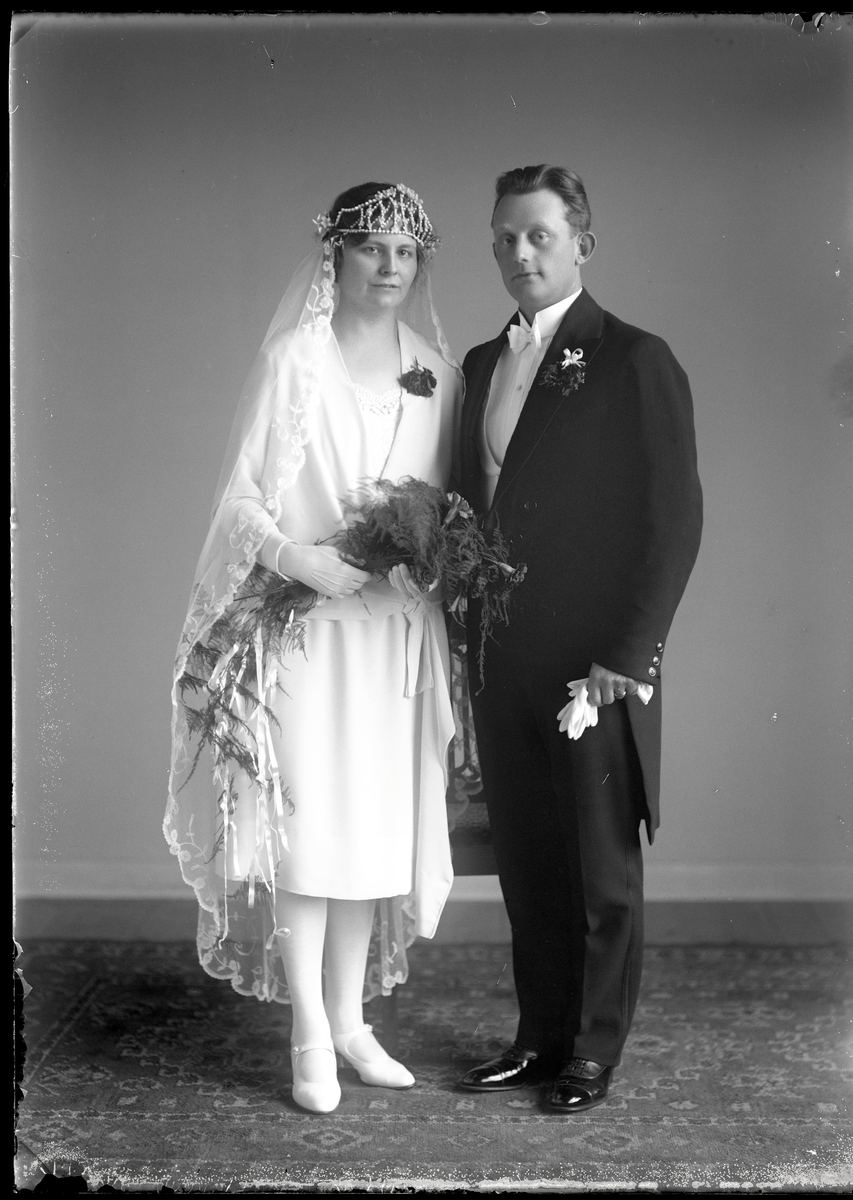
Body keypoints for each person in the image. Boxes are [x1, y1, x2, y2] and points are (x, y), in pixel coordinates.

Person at [164, 182, 463, 1114]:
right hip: (305, 638)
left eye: (405, 252)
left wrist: (425, 566)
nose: (389, 267)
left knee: (368, 838)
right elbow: (239, 498)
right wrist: (297, 558)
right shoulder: (295, 360)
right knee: (308, 837)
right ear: (335, 255)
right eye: (371, 247)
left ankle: (350, 1023)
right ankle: (306, 1034)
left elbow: (444, 507)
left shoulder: (436, 372)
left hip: (390, 643)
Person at [455, 165, 702, 1112]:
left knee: (600, 869)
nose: (518, 252)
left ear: (581, 245)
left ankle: (592, 1052)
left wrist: (625, 659)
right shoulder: (483, 361)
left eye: (538, 236)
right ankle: (538, 1038)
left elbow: (673, 522)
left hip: (593, 665)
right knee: (528, 860)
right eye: (503, 238)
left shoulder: (635, 359)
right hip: (503, 657)